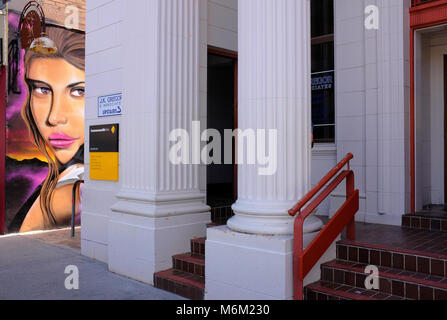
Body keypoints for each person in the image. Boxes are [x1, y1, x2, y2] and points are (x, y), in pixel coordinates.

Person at [9, 26, 85, 233]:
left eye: (79, 91)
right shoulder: (60, 180)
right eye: (42, 90)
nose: (54, 117)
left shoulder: (76, 181)